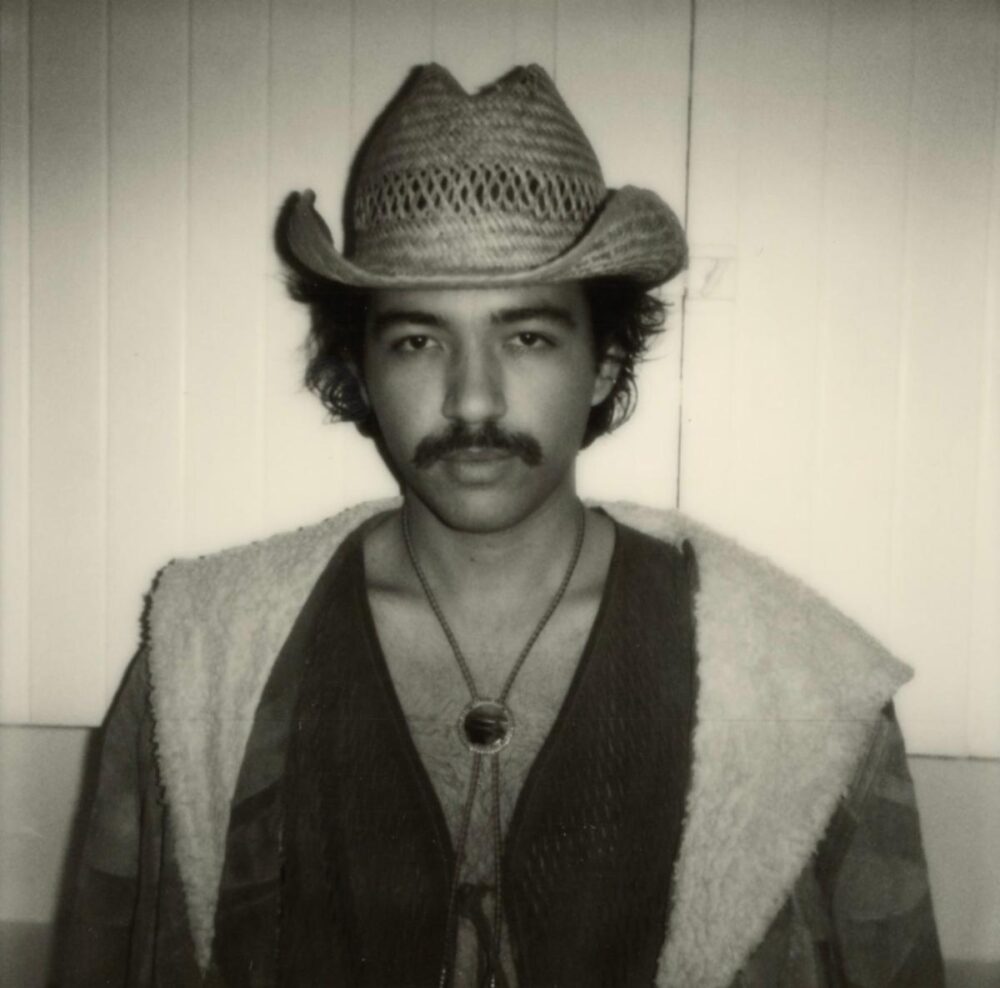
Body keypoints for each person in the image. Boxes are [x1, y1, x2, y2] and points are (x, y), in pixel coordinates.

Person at [62, 64, 944, 987]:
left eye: (527, 337)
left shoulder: (808, 692)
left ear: (604, 363)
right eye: (416, 339)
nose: (472, 397)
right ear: (358, 367)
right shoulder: (200, 657)